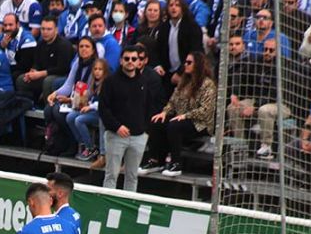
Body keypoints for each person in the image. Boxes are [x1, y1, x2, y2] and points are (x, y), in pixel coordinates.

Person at [144, 51, 216, 177]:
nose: (185, 65)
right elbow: (172, 101)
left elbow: (206, 110)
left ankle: (176, 163)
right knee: (157, 121)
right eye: (185, 62)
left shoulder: (208, 84)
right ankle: (155, 160)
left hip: (200, 123)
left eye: (189, 62)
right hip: (181, 119)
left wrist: (186, 116)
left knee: (174, 126)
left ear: (198, 64)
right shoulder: (184, 81)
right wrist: (164, 112)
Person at [98, 45, 150, 191]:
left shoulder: (144, 82)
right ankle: (107, 205)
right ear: (121, 61)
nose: (130, 61)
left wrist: (145, 130)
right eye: (127, 58)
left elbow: (150, 107)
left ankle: (128, 208)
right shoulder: (110, 82)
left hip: (139, 136)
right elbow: (103, 109)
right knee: (111, 175)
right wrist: (117, 126)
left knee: (132, 176)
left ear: (139, 62)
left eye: (134, 59)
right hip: (116, 135)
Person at [227, 39, 284, 159]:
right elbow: (240, 75)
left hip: (280, 103)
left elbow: (274, 92)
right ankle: (240, 145)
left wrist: (254, 106)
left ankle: (267, 147)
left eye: (271, 50)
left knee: (264, 110)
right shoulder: (257, 61)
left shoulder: (283, 66)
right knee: (233, 108)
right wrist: (235, 94)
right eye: (265, 49)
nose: (267, 53)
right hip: (257, 100)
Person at [44, 36, 97, 156]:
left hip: (87, 103)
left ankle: (73, 143)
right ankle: (55, 142)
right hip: (74, 99)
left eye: (87, 46)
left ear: (93, 50)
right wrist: (55, 94)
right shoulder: (78, 63)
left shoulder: (96, 66)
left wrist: (69, 99)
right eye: (81, 46)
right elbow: (68, 85)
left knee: (58, 112)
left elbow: (91, 92)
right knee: (49, 109)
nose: (84, 49)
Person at [17, 15, 73, 104]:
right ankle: (26, 105)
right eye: (43, 29)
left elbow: (63, 68)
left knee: (48, 81)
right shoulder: (40, 44)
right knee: (22, 79)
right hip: (42, 74)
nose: (45, 32)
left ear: (56, 30)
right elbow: (37, 63)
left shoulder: (64, 45)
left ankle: (47, 107)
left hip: (59, 76)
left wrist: (41, 73)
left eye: (49, 29)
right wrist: (33, 71)